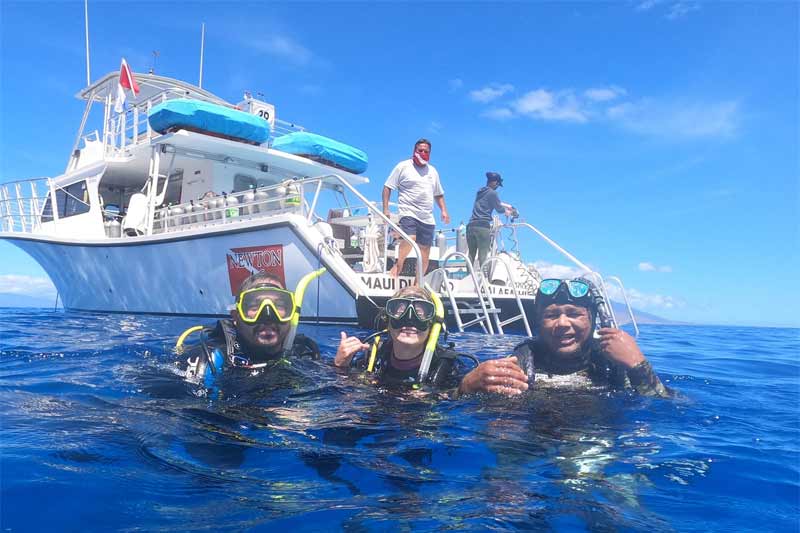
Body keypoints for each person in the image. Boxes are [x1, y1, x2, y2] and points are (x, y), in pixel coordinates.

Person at [458, 277, 671, 398]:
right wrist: (466, 386)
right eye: (551, 315)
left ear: (592, 319)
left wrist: (638, 365)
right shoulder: (520, 363)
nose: (562, 323)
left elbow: (669, 409)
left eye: (573, 313)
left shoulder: (612, 365)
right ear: (538, 322)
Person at [176, 270, 323, 385]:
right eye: (254, 306)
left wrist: (340, 367)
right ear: (236, 317)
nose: (268, 316)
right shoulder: (211, 358)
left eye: (278, 305)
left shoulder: (302, 352)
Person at [334, 285, 473, 391]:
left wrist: (466, 387)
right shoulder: (373, 357)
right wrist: (340, 365)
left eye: (420, 313)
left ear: (432, 326)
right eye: (400, 312)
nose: (410, 319)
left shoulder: (447, 367)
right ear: (387, 321)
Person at [382, 138, 450, 280]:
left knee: (425, 251)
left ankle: (417, 283)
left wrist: (444, 210)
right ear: (414, 151)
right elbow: (387, 187)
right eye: (420, 150)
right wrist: (386, 209)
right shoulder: (403, 166)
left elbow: (439, 194)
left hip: (427, 216)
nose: (423, 153)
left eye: (426, 151)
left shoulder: (433, 171)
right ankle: (399, 264)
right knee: (410, 238)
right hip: (408, 211)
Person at [466, 171, 513, 269]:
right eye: (498, 185)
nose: (497, 187)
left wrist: (504, 205)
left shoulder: (480, 192)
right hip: (482, 226)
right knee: (483, 255)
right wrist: (507, 211)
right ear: (495, 182)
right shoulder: (493, 193)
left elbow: (489, 202)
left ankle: (468, 276)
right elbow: (499, 209)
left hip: (471, 226)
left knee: (471, 254)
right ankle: (483, 278)